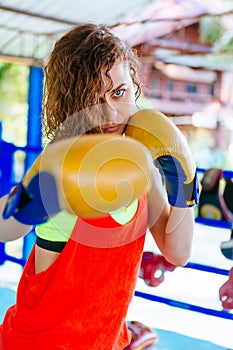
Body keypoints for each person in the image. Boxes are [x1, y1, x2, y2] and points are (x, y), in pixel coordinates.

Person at [0, 23, 198, 350]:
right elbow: (5, 229)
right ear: (72, 100)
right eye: (93, 97)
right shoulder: (61, 161)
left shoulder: (142, 165)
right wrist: (33, 198)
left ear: (134, 86)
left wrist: (185, 187)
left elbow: (178, 252)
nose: (109, 111)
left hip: (105, 341)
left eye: (119, 92)